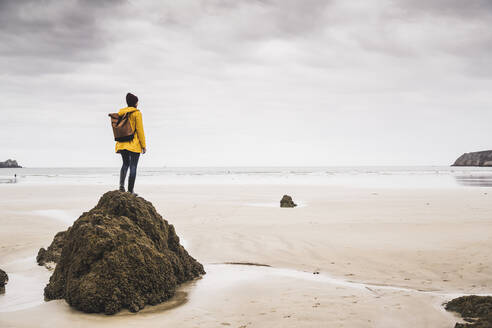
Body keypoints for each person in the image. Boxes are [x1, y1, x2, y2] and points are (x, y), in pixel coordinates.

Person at [115, 92, 146, 195]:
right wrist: (143, 146)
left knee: (125, 164)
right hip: (134, 144)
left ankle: (121, 186)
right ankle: (130, 190)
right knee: (133, 166)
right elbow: (140, 130)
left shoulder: (121, 113)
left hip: (122, 143)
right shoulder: (137, 113)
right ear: (135, 103)